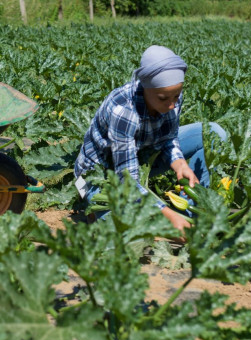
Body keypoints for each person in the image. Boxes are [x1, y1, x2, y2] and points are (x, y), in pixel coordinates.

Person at [73, 45, 227, 233]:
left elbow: (169, 138)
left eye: (176, 96)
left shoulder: (171, 96)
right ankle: (95, 208)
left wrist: (179, 163)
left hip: (141, 157)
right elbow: (126, 180)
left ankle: (191, 211)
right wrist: (168, 216)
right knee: (118, 230)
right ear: (146, 88)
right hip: (100, 174)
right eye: (163, 98)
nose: (172, 104)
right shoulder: (123, 111)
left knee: (214, 134)